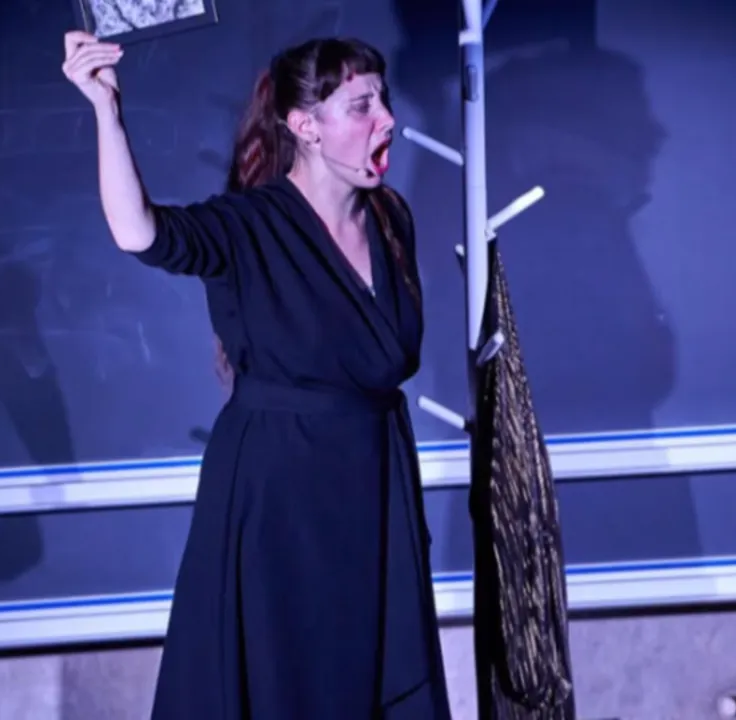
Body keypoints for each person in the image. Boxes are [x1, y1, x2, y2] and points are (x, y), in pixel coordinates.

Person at [62, 31, 453, 719]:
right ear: (305, 126)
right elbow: (139, 233)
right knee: (287, 677)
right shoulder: (250, 226)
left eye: (383, 100)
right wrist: (106, 111)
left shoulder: (391, 217)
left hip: (374, 487)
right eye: (362, 105)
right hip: (281, 498)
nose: (388, 119)